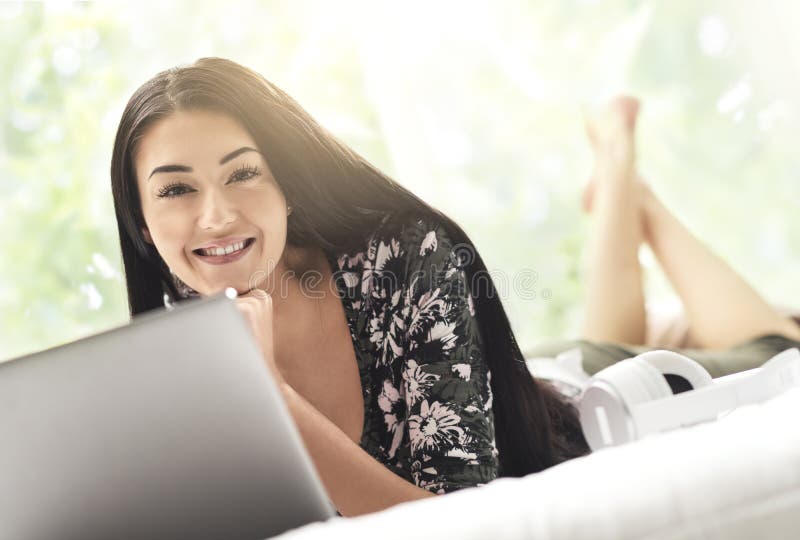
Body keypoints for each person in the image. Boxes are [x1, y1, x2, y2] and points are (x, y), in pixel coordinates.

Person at [110, 57, 587, 518]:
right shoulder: (169, 360)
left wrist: (270, 395)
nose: (216, 216)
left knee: (634, 344)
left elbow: (461, 526)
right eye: (175, 190)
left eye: (244, 174)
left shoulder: (403, 255)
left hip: (582, 410)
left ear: (287, 187)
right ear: (143, 224)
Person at [526, 96, 800, 379]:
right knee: (780, 359)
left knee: (780, 357)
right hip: (544, 377)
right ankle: (627, 186)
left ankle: (623, 183)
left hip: (546, 385)